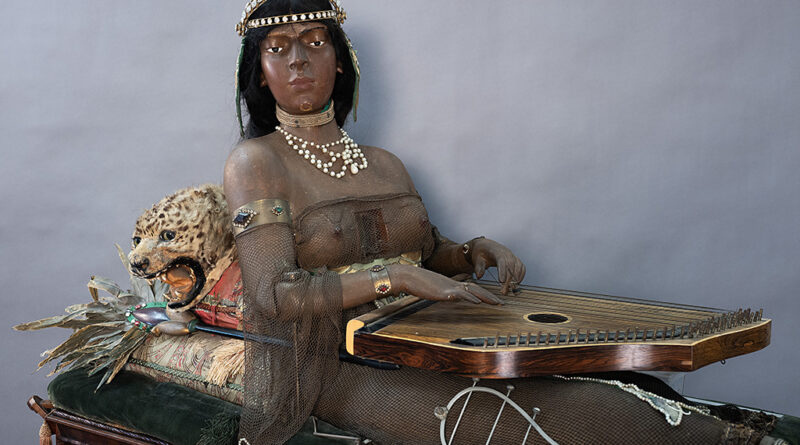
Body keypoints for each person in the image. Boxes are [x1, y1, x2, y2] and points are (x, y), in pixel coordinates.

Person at [225, 1, 771, 443]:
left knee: (624, 380)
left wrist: (471, 253)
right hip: (338, 365)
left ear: (340, 60)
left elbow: (427, 251)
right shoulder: (257, 162)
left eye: (314, 42)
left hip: (434, 335)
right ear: (262, 71)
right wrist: (401, 279)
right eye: (278, 48)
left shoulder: (384, 162)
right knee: (579, 412)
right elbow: (275, 295)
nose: (297, 59)